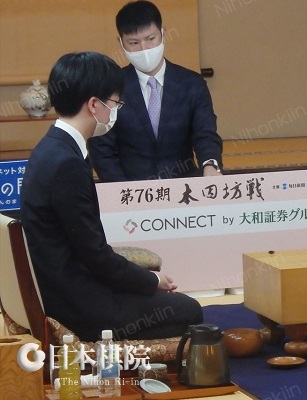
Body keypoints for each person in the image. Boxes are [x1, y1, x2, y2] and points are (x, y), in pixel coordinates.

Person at [20, 52, 203, 342]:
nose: (115, 111)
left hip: (61, 286)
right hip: (77, 301)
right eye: (115, 103)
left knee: (177, 307)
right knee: (189, 311)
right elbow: (94, 255)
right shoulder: (66, 163)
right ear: (94, 105)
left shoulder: (51, 147)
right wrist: (151, 280)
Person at [88, 0, 222, 182]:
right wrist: (124, 190)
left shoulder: (192, 84)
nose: (144, 49)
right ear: (121, 43)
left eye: (150, 39)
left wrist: (210, 165)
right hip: (131, 189)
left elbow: (205, 134)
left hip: (184, 186)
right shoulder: (109, 88)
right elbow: (102, 149)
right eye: (134, 42)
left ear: (163, 34)